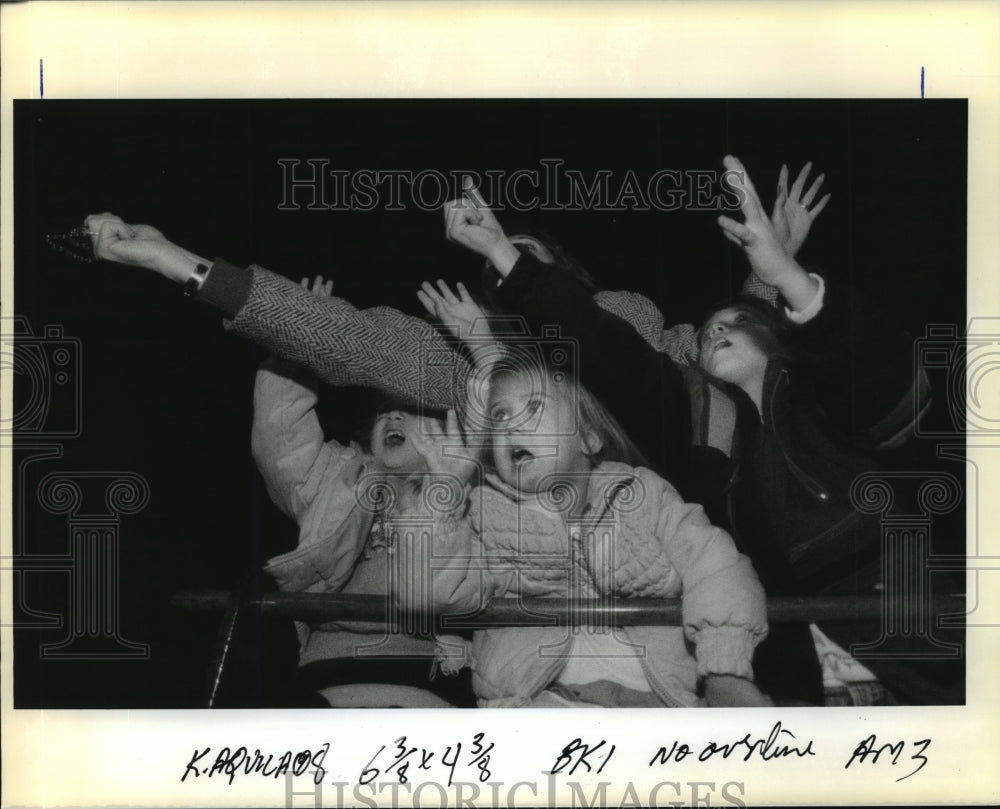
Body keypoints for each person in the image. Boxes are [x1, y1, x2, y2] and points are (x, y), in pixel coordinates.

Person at [443, 156, 957, 705]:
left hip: (906, 636)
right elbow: (620, 362)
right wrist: (502, 253)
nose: (718, 333)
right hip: (792, 669)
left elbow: (888, 390)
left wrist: (785, 273)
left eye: (736, 324)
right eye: (708, 333)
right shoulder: (704, 425)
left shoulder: (821, 395)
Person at [389, 341, 771, 708]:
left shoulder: (643, 494)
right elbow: (427, 593)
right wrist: (444, 497)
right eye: (500, 415)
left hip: (657, 705)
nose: (509, 426)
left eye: (534, 407)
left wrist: (725, 671)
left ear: (589, 438)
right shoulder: (485, 513)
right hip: (540, 705)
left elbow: (717, 567)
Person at [250, 275, 476, 708]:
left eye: (411, 408)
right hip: (327, 679)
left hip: (424, 681)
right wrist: (294, 346)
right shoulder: (339, 478)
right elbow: (280, 438)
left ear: (451, 429)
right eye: (383, 409)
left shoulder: (468, 490)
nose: (393, 416)